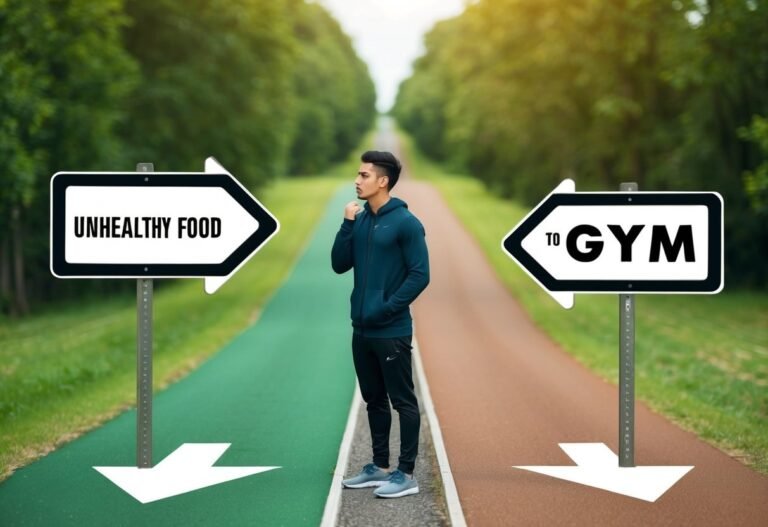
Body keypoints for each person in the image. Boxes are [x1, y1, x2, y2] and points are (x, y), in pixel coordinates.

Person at [331, 150, 430, 499]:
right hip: (361, 329)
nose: (357, 181)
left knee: (402, 400)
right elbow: (339, 264)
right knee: (373, 399)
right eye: (357, 175)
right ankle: (378, 466)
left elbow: (421, 275)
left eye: (364, 175)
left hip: (391, 330)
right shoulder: (359, 220)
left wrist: (388, 308)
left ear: (383, 181)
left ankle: (406, 474)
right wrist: (346, 224)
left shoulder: (406, 223)